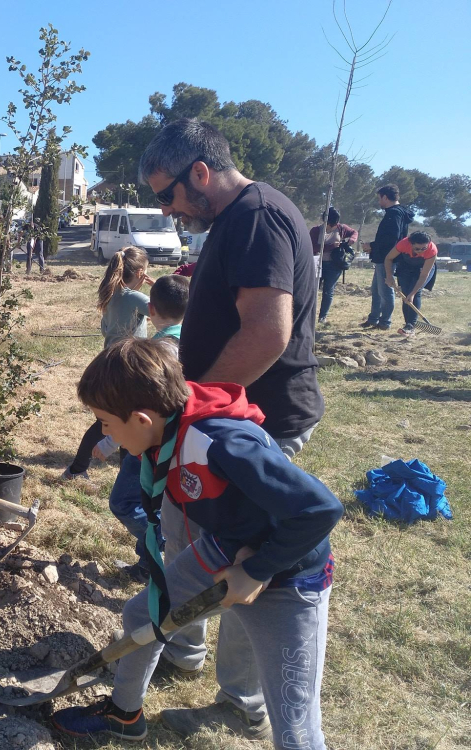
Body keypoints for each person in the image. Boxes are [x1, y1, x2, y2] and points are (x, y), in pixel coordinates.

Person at [51, 339, 343, 747]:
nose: (103, 432)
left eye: (104, 422)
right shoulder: (163, 432)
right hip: (228, 546)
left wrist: (257, 569)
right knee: (142, 615)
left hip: (292, 575)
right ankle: (124, 715)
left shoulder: (223, 443)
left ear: (139, 418)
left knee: (295, 727)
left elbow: (320, 509)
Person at [135, 117, 325, 735]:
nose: (167, 211)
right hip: (219, 418)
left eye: (168, 195)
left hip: (248, 426)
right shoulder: (235, 219)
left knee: (243, 561)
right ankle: (184, 653)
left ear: (200, 172)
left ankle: (243, 703)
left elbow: (268, 334)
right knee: (184, 534)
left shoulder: (255, 217)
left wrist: (192, 406)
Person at [103, 274, 189, 585]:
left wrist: (111, 441)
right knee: (155, 503)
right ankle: (148, 561)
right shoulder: (193, 340)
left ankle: (162, 546)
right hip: (175, 443)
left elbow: (139, 407)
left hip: (152, 444)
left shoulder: (159, 352)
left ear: (150, 310)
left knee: (124, 502)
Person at [62, 247, 150, 481]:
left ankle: (94, 471)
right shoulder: (134, 297)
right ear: (141, 272)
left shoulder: (113, 294)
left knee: (117, 419)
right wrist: (155, 288)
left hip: (110, 363)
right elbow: (164, 310)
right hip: (129, 366)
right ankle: (78, 469)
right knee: (115, 421)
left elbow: (104, 328)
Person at [362, 184, 415, 330]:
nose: (379, 202)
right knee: (376, 289)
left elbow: (391, 239)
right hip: (382, 256)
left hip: (388, 258)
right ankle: (373, 318)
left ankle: (385, 322)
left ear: (385, 197)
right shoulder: (397, 212)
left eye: (380, 198)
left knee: (385, 290)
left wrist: (371, 245)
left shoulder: (394, 214)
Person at [309, 207, 358, 324]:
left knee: (328, 290)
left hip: (334, 265)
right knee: (313, 290)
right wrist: (331, 246)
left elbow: (354, 232)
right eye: (330, 224)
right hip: (317, 262)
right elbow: (313, 247)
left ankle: (322, 317)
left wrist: (351, 240)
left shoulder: (341, 228)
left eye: (334, 224)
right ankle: (309, 314)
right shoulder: (315, 231)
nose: (331, 227)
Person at [385, 231, 438, 335]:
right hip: (406, 267)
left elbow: (423, 275)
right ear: (411, 244)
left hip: (423, 269)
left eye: (424, 248)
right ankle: (408, 325)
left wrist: (413, 293)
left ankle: (410, 326)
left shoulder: (432, 250)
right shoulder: (403, 244)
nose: (420, 251)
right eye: (417, 249)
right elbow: (388, 258)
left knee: (414, 293)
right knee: (405, 294)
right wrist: (389, 276)